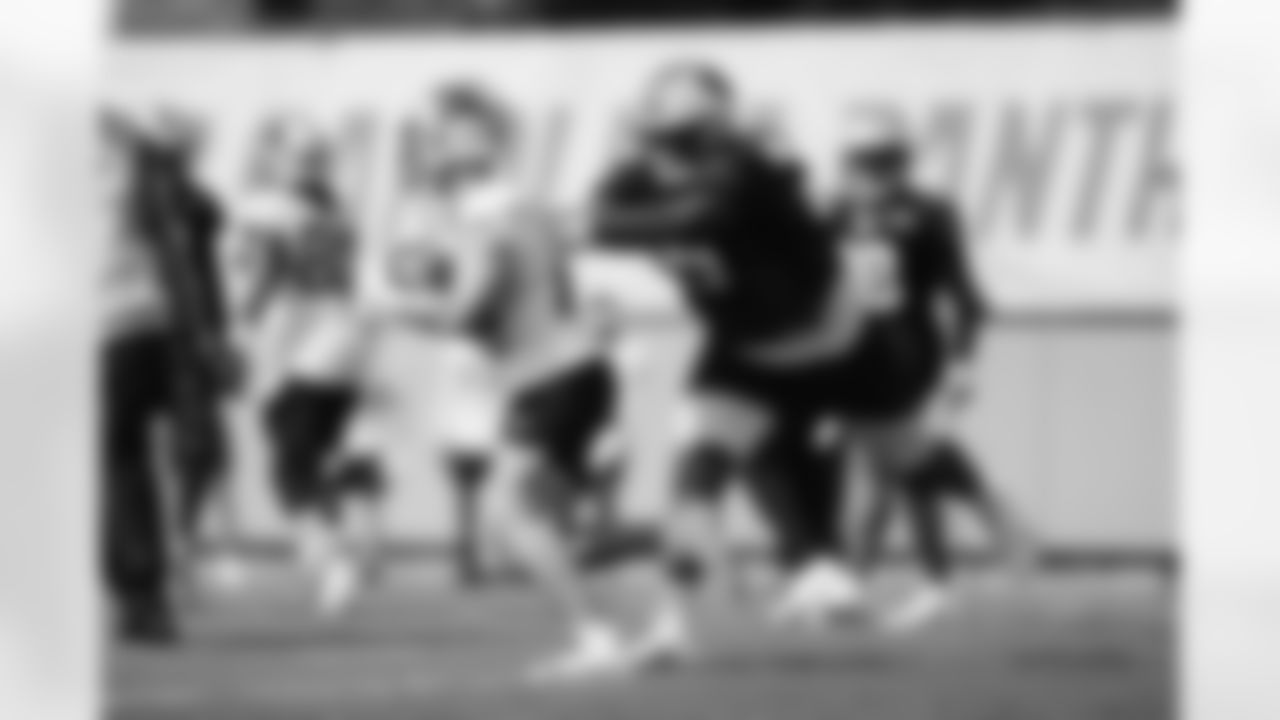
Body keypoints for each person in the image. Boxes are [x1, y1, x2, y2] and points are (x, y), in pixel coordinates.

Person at [379, 83, 662, 682]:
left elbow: (474, 304)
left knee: (515, 518)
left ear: (482, 147)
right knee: (561, 519)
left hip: (546, 376)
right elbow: (547, 292)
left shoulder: (480, 216)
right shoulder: (526, 205)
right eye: (434, 137)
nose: (433, 147)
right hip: (578, 368)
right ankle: (658, 620)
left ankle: (597, 638)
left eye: (446, 137)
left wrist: (409, 310)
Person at [592, 61, 868, 631]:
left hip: (817, 336)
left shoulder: (739, 168)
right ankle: (681, 615)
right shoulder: (650, 175)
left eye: (682, 135)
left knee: (786, 463)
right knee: (698, 473)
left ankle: (814, 564)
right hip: (745, 343)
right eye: (661, 131)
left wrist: (620, 200)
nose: (666, 156)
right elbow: (602, 216)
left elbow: (695, 217)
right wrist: (627, 174)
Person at [823, 112, 1036, 632]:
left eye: (885, 162)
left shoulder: (927, 215)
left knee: (899, 461)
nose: (874, 175)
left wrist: (962, 361)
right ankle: (875, 581)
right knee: (881, 469)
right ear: (847, 165)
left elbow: (967, 296)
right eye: (864, 163)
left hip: (906, 351)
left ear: (903, 163)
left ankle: (937, 566)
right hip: (848, 356)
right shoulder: (831, 213)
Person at [232, 119, 387, 616]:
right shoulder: (338, 213)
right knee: (316, 458)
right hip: (344, 345)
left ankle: (334, 558)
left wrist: (239, 324)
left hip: (303, 345)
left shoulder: (269, 209)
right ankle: (346, 544)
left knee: (288, 470)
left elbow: (266, 273)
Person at [99, 111, 237, 644]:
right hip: (141, 324)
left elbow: (182, 255)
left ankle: (145, 587)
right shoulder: (148, 176)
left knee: (123, 459)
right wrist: (208, 335)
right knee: (129, 460)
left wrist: (208, 336)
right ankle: (147, 589)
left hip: (120, 326)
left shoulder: (145, 181)